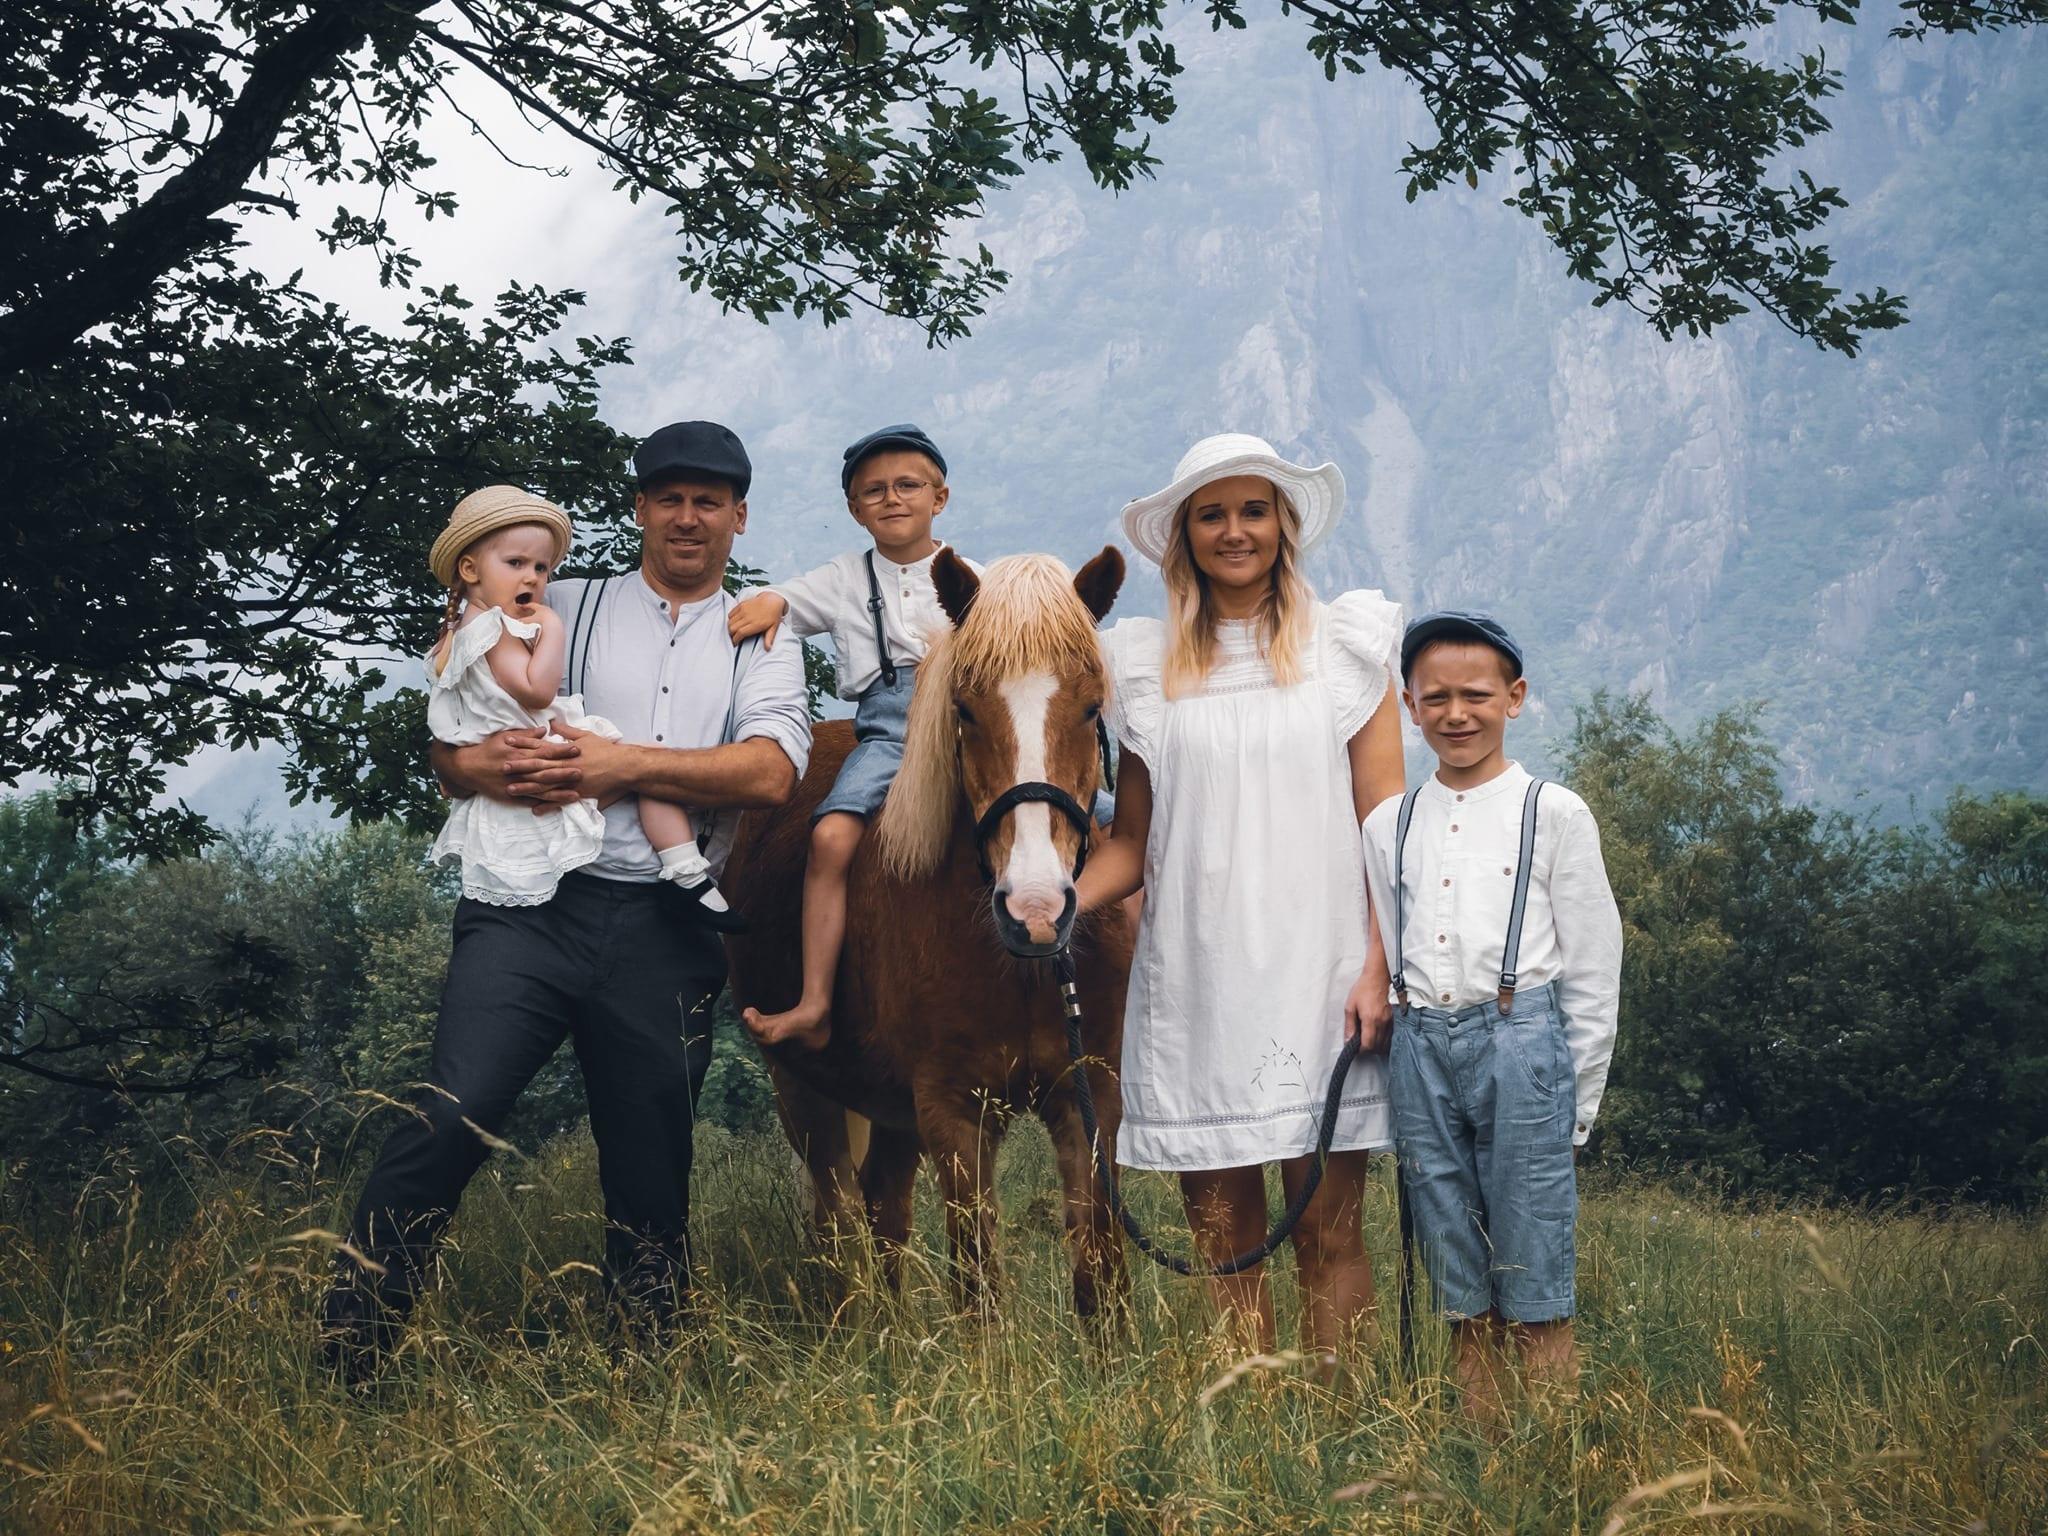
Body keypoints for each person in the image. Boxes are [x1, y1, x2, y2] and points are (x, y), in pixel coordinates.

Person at [320, 421, 811, 1374]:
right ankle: (351, 1349)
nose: (686, 516)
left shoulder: (761, 633)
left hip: (668, 926)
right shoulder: (554, 602)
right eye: (667, 497)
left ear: (739, 518)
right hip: (530, 909)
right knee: (451, 1112)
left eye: (709, 500)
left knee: (652, 1158)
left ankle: (650, 1366)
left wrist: (624, 762)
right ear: (638, 510)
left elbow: (770, 774)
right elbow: (451, 745)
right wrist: (473, 765)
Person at [1073, 432, 1407, 1359]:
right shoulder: (1144, 668)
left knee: (1328, 1230)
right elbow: (1134, 843)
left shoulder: (1347, 649)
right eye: (1211, 515)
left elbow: (1386, 827)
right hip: (1200, 981)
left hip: (1324, 976)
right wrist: (1060, 900)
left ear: (1283, 524)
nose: (1234, 531)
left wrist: (1380, 969)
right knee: (1225, 1241)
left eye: (1253, 510)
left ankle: (1340, 1426)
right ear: (1183, 536)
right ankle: (1255, 1444)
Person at [1359, 611, 1622, 1424]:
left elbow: (1593, 967)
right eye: (1435, 697)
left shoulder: (1556, 812)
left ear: (1515, 697)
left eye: (1475, 694)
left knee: (1535, 1273)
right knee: (1455, 1274)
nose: (1456, 713)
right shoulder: (1387, 824)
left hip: (1523, 1044)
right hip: (1420, 1048)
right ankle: (1484, 1447)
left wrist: (1574, 1108)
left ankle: (1550, 1455)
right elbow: (1389, 935)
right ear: (1409, 705)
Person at [729, 424, 982, 1051]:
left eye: (908, 485)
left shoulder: (982, 579)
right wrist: (769, 604)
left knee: (1094, 817)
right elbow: (782, 600)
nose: (892, 499)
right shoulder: (845, 579)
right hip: (887, 734)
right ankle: (815, 1001)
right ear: (853, 507)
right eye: (874, 491)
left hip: (963, 730)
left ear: (939, 497)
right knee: (831, 836)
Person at [422, 485, 740, 928]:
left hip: (507, 742)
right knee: (646, 770)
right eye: (515, 564)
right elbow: (534, 690)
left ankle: (681, 869)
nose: (532, 578)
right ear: (470, 568)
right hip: (536, 740)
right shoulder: (492, 630)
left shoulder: (456, 631)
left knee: (637, 769)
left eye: (541, 567)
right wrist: (551, 628)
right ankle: (686, 870)